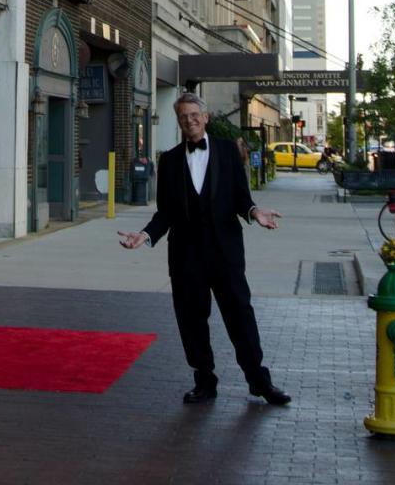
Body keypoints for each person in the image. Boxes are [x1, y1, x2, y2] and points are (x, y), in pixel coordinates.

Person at [118, 91, 291, 407]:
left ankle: (259, 381)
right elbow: (165, 213)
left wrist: (255, 212)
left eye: (194, 115)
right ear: (179, 121)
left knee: (240, 316)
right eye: (183, 116)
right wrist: (144, 235)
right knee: (192, 320)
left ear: (206, 117)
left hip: (225, 252)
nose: (189, 120)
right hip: (185, 256)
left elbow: (241, 198)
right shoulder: (169, 160)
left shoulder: (227, 152)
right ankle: (204, 381)